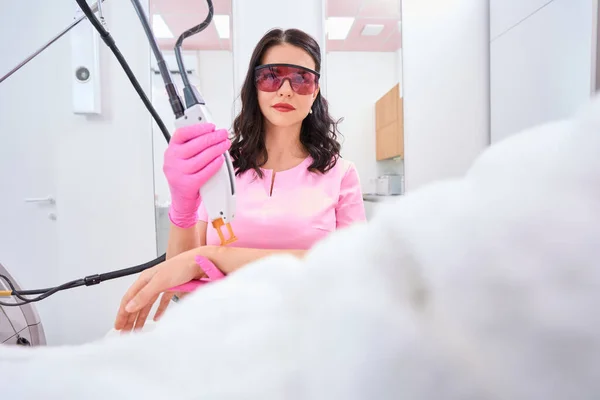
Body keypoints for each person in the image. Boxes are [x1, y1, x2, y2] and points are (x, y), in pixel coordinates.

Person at [114, 28, 367, 332]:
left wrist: (213, 256)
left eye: (301, 79)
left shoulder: (340, 174)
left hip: (309, 334)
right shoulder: (223, 168)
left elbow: (355, 269)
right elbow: (181, 286)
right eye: (272, 76)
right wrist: (183, 207)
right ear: (255, 86)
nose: (285, 89)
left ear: (314, 91)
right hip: (223, 332)